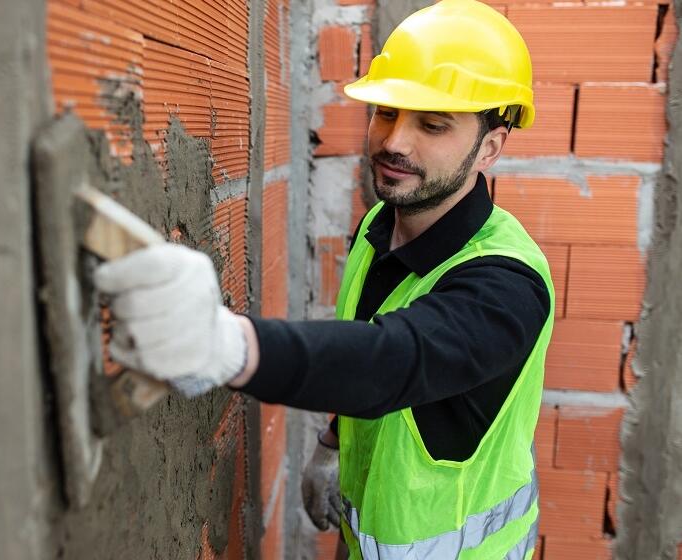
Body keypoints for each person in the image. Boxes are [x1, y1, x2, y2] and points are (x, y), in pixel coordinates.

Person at [94, 0, 554, 558]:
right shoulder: (379, 228)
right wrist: (333, 444)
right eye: (387, 112)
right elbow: (368, 342)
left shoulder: (508, 286)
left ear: (490, 147)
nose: (394, 143)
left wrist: (228, 346)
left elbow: (396, 359)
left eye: (432, 125)